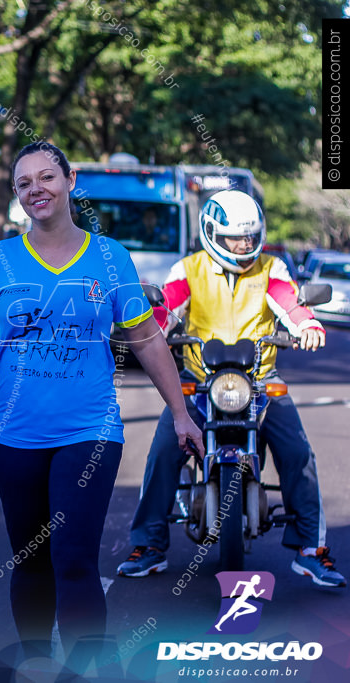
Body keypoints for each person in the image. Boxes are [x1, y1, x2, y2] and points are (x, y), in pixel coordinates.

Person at [0, 142, 202, 666]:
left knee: (73, 560)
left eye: (47, 177)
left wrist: (180, 412)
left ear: (70, 181)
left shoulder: (109, 256)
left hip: (90, 430)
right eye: (25, 183)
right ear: (17, 196)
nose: (36, 189)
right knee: (31, 561)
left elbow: (146, 338)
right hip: (13, 436)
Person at [117, 189, 345, 588]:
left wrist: (306, 325)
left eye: (249, 237)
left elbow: (289, 302)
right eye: (233, 238)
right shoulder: (187, 269)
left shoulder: (270, 268)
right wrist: (152, 327)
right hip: (198, 381)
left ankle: (312, 550)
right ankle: (148, 545)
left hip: (259, 383)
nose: (243, 246)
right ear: (210, 233)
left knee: (298, 454)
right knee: (162, 452)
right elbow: (166, 308)